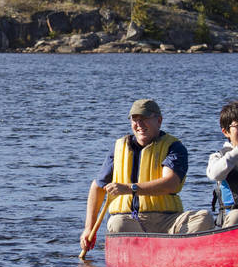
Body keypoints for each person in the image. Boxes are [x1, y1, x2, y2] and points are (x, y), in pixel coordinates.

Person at [79, 99, 214, 255]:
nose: (139, 124)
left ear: (159, 121)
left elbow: (171, 184)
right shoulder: (119, 148)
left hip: (168, 220)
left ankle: (172, 253)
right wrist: (89, 228)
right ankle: (158, 254)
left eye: (144, 119)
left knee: (204, 218)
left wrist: (130, 188)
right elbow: (97, 187)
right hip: (131, 220)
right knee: (118, 224)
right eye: (135, 120)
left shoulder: (174, 147)